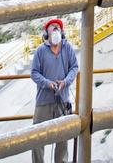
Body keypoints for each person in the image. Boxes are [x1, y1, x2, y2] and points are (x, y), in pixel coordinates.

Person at [30, 17, 79, 163]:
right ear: (46, 33)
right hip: (43, 101)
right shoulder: (40, 51)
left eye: (58, 26)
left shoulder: (67, 48)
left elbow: (74, 68)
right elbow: (34, 73)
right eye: (52, 26)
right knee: (37, 137)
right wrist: (47, 83)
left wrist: (65, 82)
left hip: (63, 100)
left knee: (62, 137)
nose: (56, 28)